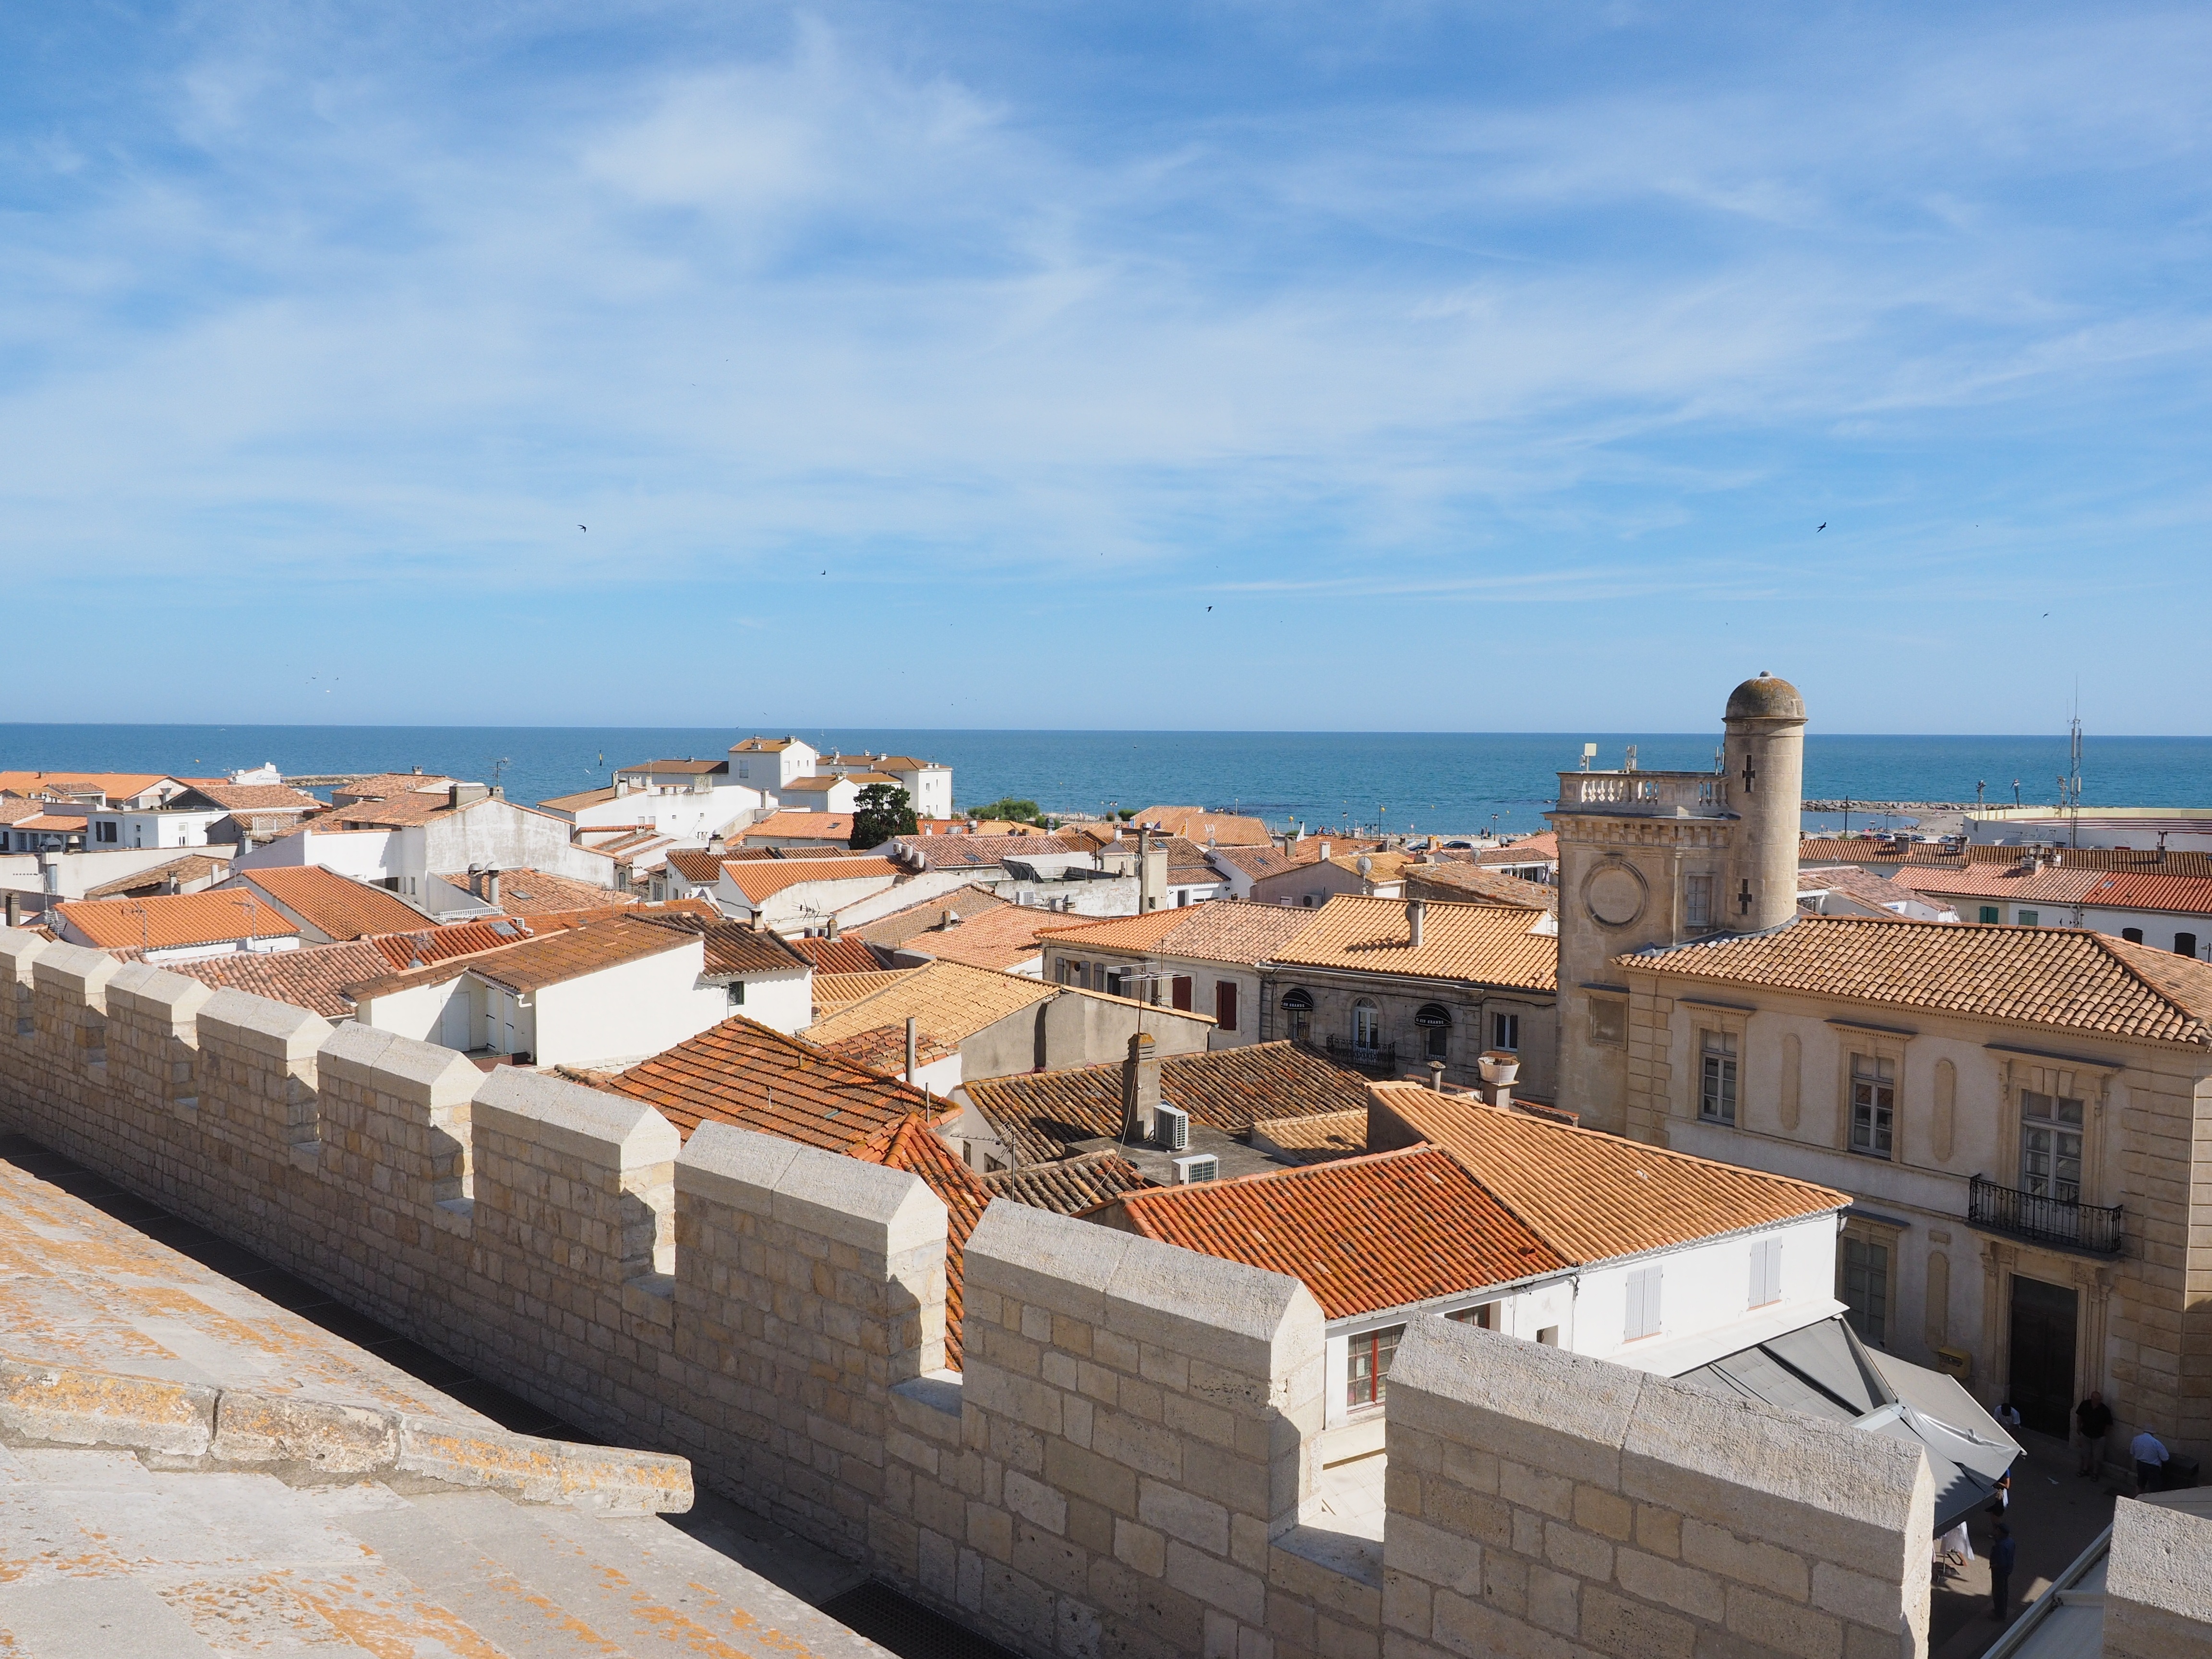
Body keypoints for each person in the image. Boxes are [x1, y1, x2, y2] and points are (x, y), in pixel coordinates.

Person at [2076, 1390, 2114, 1478]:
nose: (2099, 1401)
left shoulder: (2104, 1410)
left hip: (2099, 1436)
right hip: (2086, 1433)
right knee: (2085, 1453)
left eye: (2100, 1399)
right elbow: (2080, 1416)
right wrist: (2078, 1428)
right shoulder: (2085, 1405)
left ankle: (2095, 1473)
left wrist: (2104, 1434)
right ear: (2092, 1398)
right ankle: (2085, 1470)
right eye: (2097, 1399)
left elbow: (2109, 1424)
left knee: (2098, 1457)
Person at [2133, 1426, 2170, 1494]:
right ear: (2153, 1433)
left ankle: (2137, 1499)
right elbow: (2165, 1458)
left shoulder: (2136, 1439)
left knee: (2140, 1484)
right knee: (2155, 1487)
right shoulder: (2157, 1443)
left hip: (2140, 1464)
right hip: (2153, 1468)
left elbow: (2132, 1452)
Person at [1990, 1523, 2015, 1622]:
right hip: (2008, 1570)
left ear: (2000, 1532)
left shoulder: (2001, 1545)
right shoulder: (2010, 1542)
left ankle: (1999, 1614)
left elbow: (2001, 1562)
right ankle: (2002, 1611)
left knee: (1998, 1592)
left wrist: (1993, 1565)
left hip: (1999, 1571)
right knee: (2004, 1590)